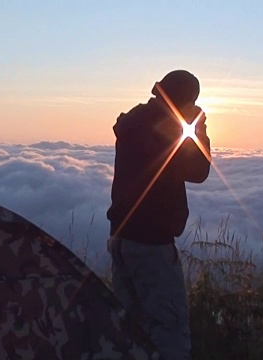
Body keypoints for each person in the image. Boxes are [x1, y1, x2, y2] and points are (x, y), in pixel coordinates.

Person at [106, 70, 211, 360]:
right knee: (170, 330)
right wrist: (198, 129)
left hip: (121, 237)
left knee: (131, 329)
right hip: (151, 245)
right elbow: (198, 171)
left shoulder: (135, 122)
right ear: (183, 100)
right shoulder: (163, 128)